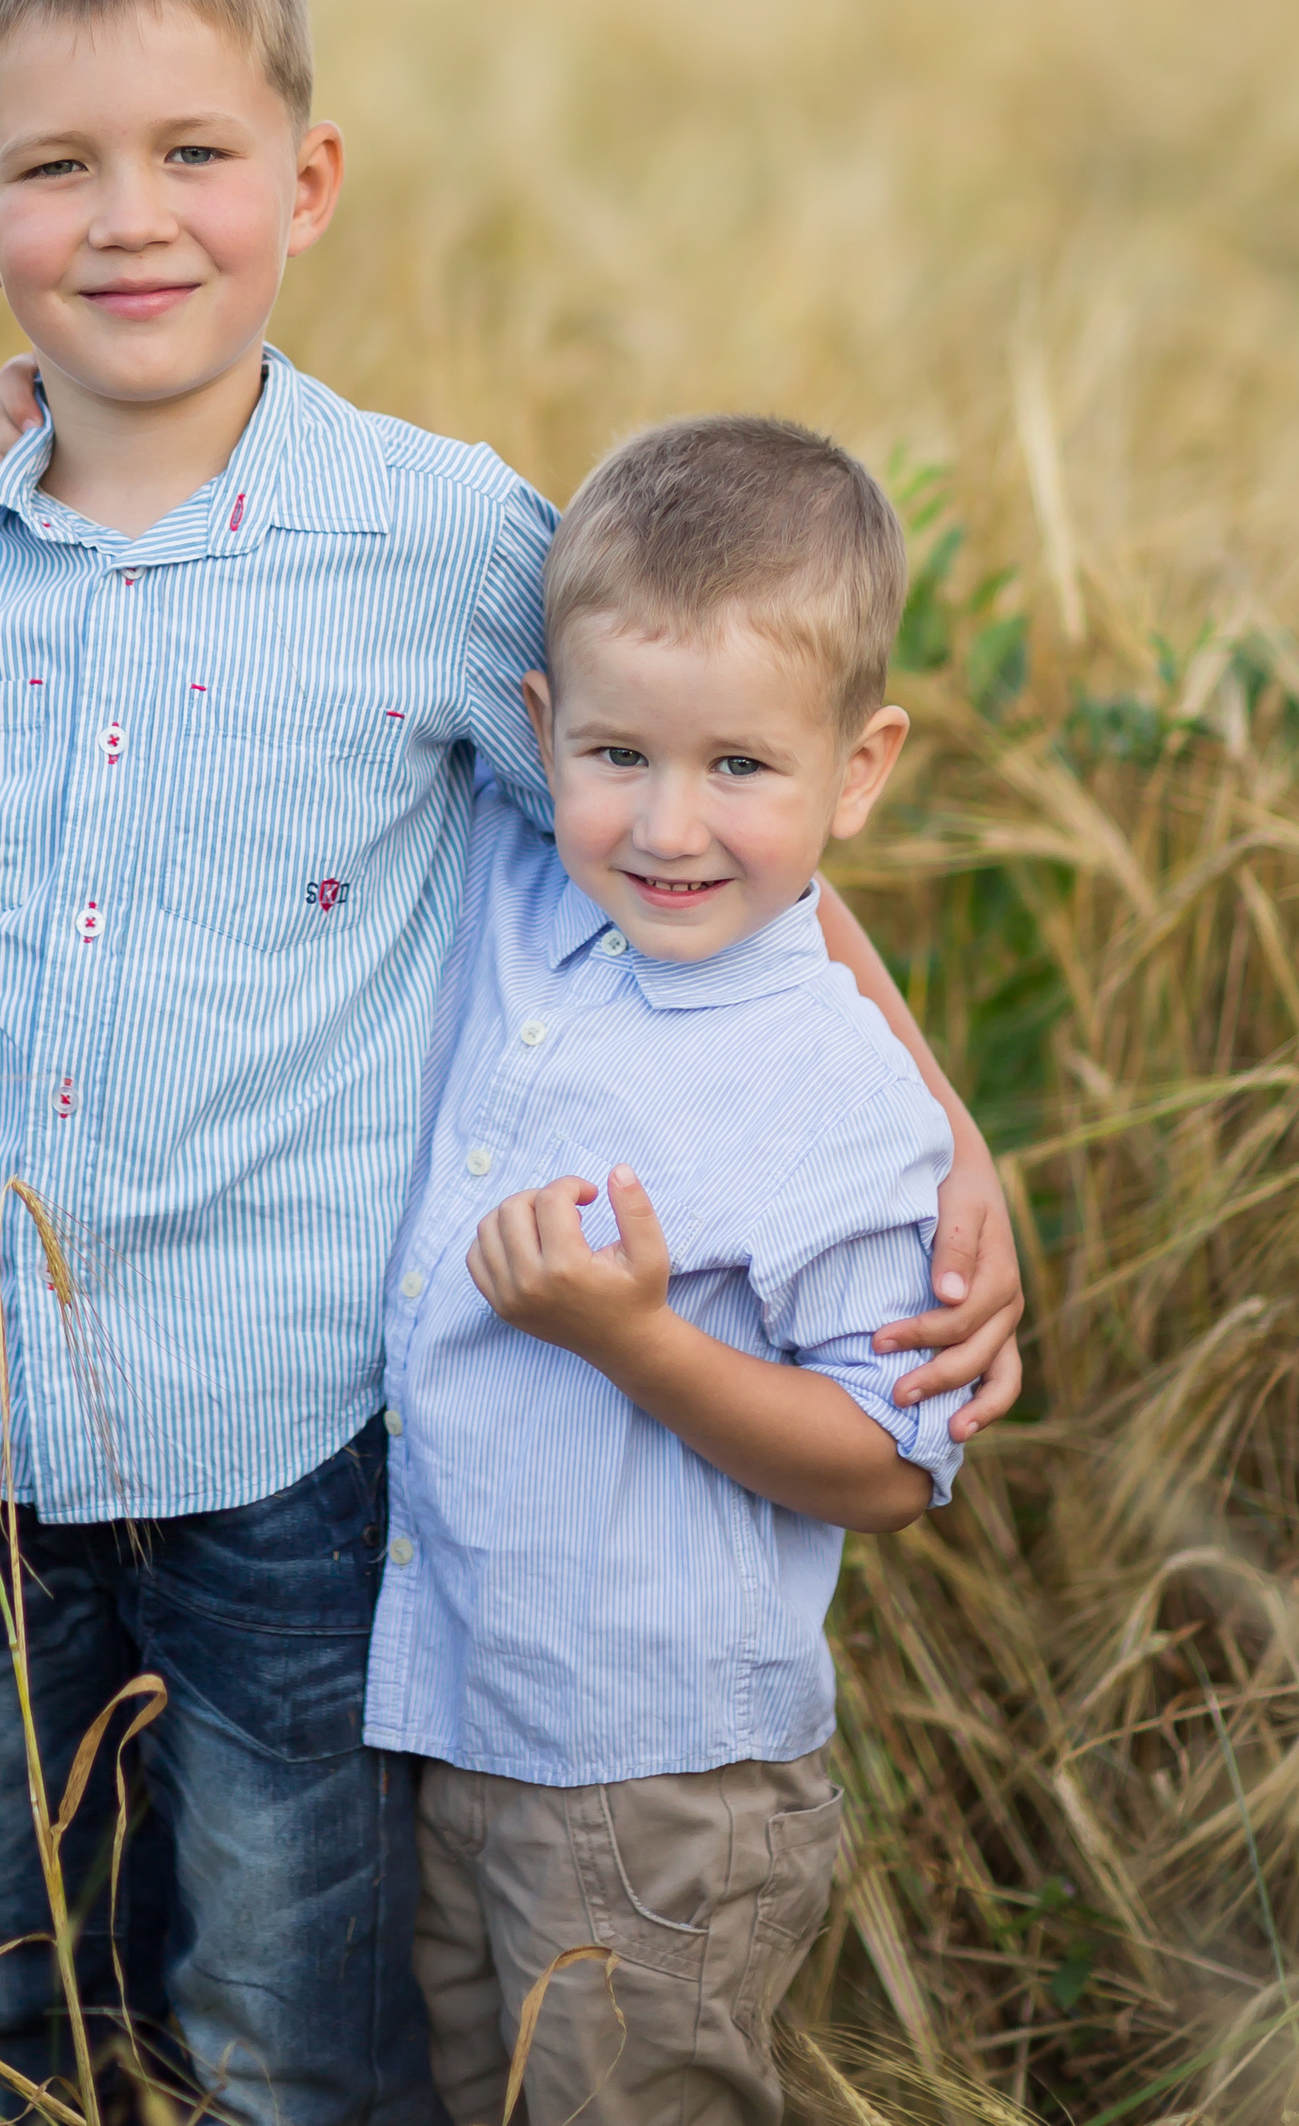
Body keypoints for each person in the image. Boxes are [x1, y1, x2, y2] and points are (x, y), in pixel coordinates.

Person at [0, 0, 1020, 2126]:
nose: (130, 222)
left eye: (193, 158)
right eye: (57, 171)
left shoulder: (441, 547)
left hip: (295, 1471)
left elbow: (701, 836)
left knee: (288, 2034)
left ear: (304, 183)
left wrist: (951, 1145)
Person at [370, 414, 961, 2126]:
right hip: (458, 1713)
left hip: (663, 1782)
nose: (670, 825)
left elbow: (892, 1461)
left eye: (744, 770)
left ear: (860, 770)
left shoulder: (836, 1088)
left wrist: (637, 1344)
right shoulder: (523, 900)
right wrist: (27, 415)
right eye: (619, 754)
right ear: (542, 733)